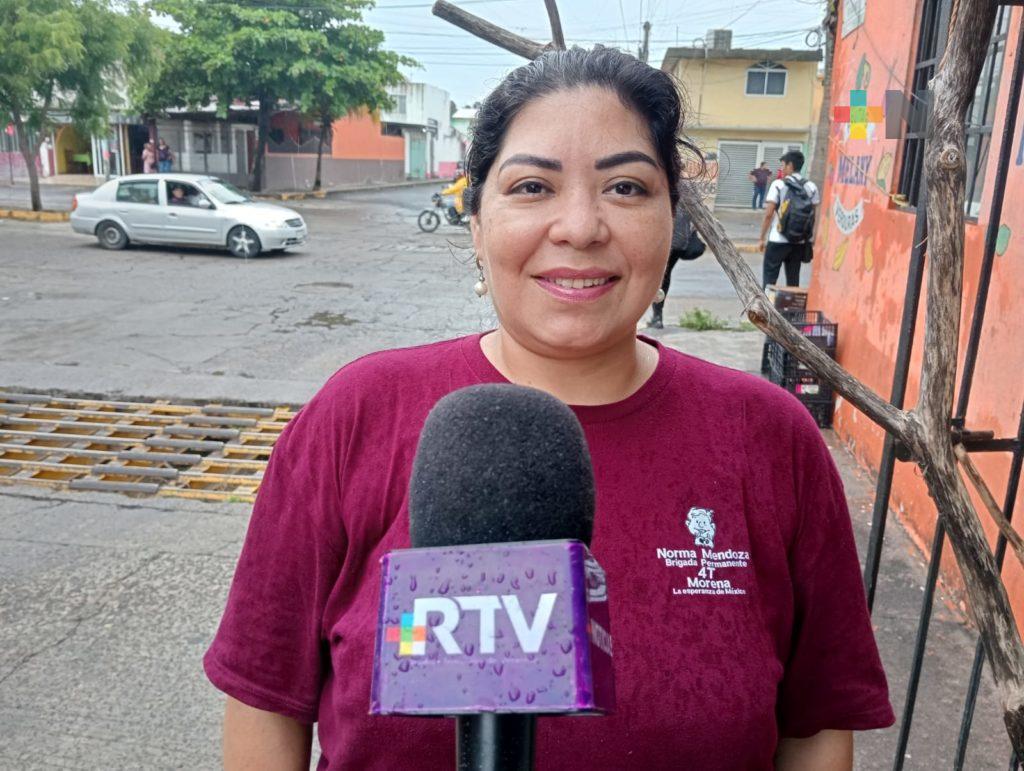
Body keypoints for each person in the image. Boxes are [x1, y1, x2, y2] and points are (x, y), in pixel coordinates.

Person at [204, 46, 893, 770]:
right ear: (477, 223)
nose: (580, 226)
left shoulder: (770, 438)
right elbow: (265, 698)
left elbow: (817, 726)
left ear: (672, 220)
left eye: (626, 187)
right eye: (532, 186)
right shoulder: (357, 416)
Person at [758, 150, 820, 290]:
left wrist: (761, 238)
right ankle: (792, 305)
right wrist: (811, 240)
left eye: (783, 165)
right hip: (798, 242)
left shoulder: (778, 184)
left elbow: (769, 214)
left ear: (790, 165)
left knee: (769, 281)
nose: (782, 168)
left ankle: (767, 304)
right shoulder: (811, 187)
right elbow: (814, 217)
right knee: (793, 282)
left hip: (777, 240)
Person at [648, 202, 704, 329]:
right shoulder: (687, 196)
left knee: (661, 276)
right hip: (679, 242)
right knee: (664, 276)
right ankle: (657, 316)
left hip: (667, 241)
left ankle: (657, 317)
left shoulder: (664, 193)